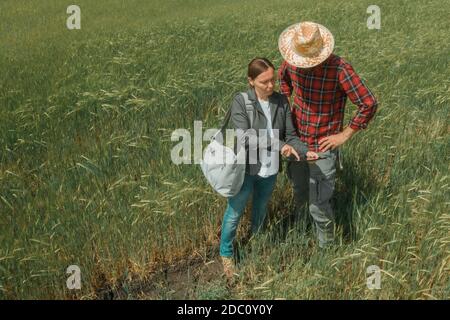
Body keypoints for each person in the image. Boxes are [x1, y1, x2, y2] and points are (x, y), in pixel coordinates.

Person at [277, 21, 378, 248]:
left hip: (323, 148)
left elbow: (368, 103)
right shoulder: (292, 61)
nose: (303, 66)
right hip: (296, 143)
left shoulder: (340, 69)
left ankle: (327, 250)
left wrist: (344, 135)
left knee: (319, 205)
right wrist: (286, 108)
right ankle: (300, 236)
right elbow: (283, 81)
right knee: (300, 192)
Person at [220, 57, 319, 278]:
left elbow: (291, 136)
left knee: (261, 209)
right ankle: (226, 254)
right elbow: (245, 137)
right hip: (245, 169)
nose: (270, 85)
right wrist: (279, 145)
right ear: (251, 81)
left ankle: (256, 242)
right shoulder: (241, 101)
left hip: (270, 169)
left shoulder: (282, 101)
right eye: (264, 81)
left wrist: (304, 152)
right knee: (235, 212)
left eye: (272, 80)